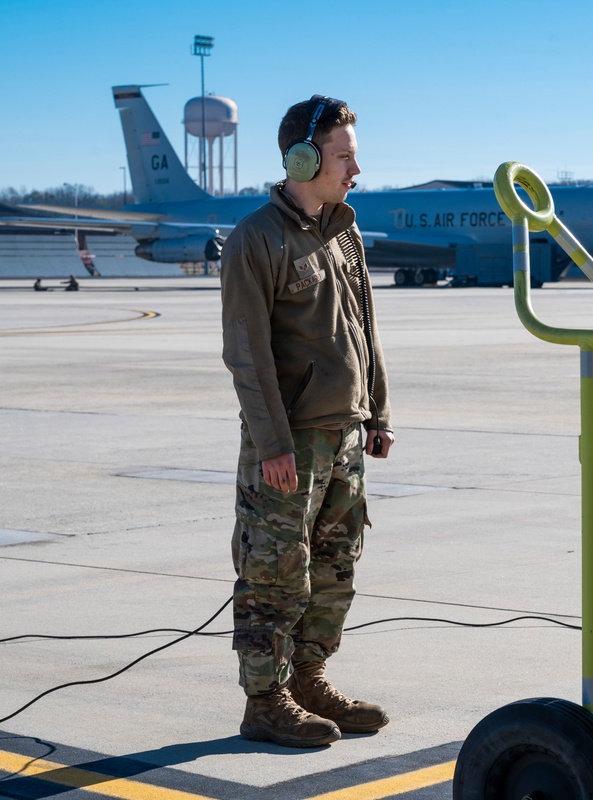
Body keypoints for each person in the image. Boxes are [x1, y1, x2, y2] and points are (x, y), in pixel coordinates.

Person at [220, 95, 393, 748]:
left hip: (345, 434)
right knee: (275, 571)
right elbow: (247, 351)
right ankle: (265, 700)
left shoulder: (345, 233)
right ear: (303, 157)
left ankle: (309, 680)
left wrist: (378, 413)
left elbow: (365, 328)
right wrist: (273, 445)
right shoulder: (255, 239)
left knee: (335, 565)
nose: (356, 168)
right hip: (288, 442)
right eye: (344, 156)